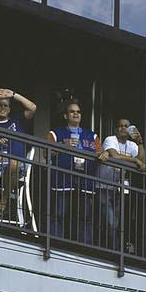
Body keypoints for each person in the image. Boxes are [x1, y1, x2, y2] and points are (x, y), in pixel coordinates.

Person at [0, 88, 37, 223]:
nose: (2, 108)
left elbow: (33, 107)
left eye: (5, 105)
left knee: (13, 163)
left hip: (17, 163)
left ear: (9, 109)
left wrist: (13, 95)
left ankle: (4, 198)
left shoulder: (18, 120)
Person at [48, 101, 100, 245]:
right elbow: (47, 153)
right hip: (63, 178)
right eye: (72, 111)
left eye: (78, 111)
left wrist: (105, 154)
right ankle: (56, 244)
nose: (76, 114)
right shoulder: (55, 133)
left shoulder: (92, 135)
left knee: (85, 216)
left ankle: (85, 247)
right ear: (66, 115)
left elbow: (100, 153)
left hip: (85, 179)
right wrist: (63, 145)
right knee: (59, 213)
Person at [96, 117, 146, 251]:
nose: (123, 128)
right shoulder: (110, 139)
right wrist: (134, 160)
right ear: (115, 129)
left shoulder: (132, 145)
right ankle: (113, 250)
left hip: (118, 189)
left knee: (116, 223)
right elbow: (115, 156)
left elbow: (142, 162)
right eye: (120, 126)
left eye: (126, 126)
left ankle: (112, 249)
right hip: (103, 186)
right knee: (111, 222)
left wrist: (140, 142)